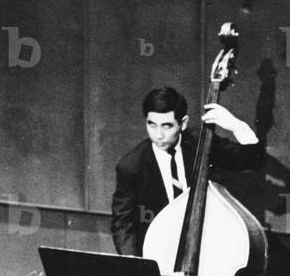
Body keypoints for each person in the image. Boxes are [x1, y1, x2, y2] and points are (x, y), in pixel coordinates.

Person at [110, 86, 267, 256]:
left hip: (208, 243)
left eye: (167, 126)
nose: (159, 135)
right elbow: (123, 223)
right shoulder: (131, 166)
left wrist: (238, 127)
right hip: (159, 251)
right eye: (152, 125)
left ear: (183, 123)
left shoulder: (201, 143)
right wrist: (136, 264)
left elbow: (253, 160)